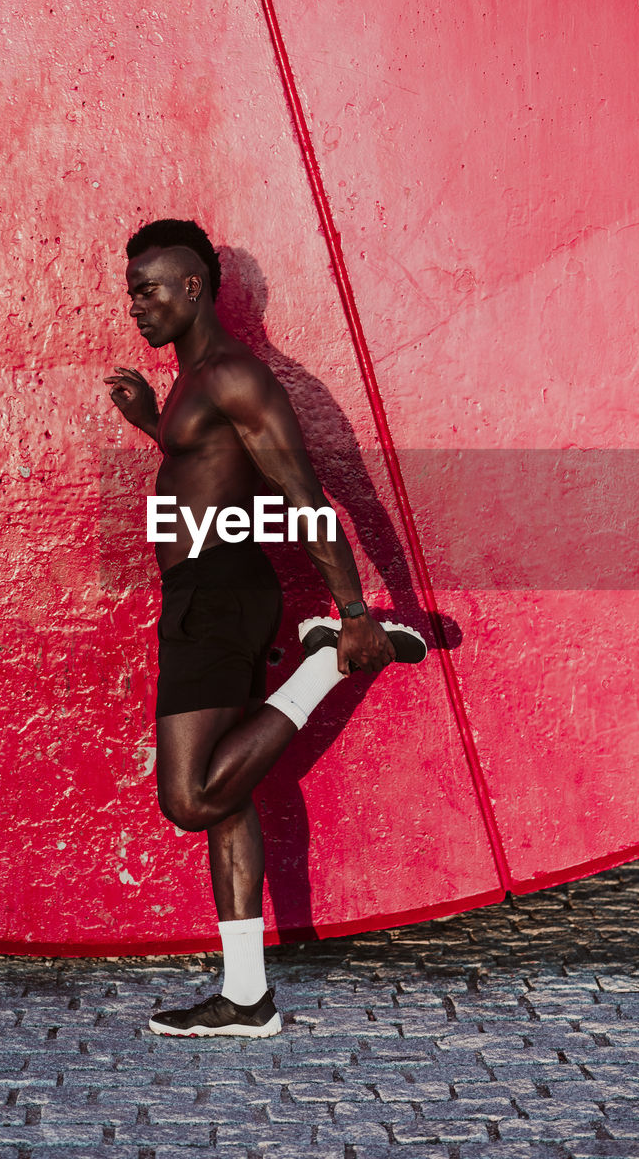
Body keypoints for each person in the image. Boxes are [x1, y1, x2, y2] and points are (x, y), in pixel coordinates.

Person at [104, 219, 425, 1038]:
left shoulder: (233, 375)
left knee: (188, 798)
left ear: (192, 287)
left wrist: (352, 611)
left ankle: (327, 661)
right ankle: (246, 997)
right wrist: (152, 424)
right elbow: (211, 469)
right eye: (131, 288)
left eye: (149, 288)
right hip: (204, 591)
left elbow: (303, 492)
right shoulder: (188, 380)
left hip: (217, 596)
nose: (134, 303)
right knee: (228, 800)